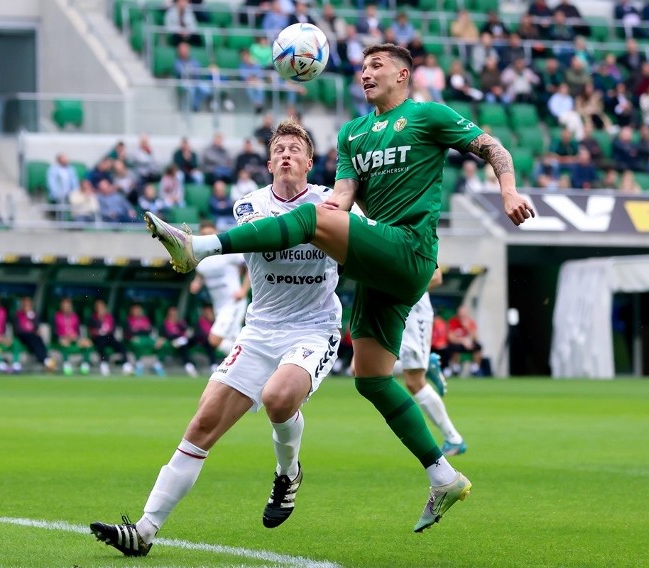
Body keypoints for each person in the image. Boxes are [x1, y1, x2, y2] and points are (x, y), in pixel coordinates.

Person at [143, 43, 533, 534]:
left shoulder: (429, 115)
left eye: (377, 66)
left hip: (409, 246)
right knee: (370, 377)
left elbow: (493, 148)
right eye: (363, 66)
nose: (366, 73)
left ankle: (199, 248)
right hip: (375, 267)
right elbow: (342, 202)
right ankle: (444, 476)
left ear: (403, 74)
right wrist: (315, 225)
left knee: (313, 214)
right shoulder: (352, 134)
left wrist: (509, 190)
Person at [91, 119, 343, 556]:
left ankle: (289, 474)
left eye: (295, 149)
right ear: (268, 163)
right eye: (279, 149)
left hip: (313, 327)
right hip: (261, 329)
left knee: (280, 398)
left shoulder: (332, 202)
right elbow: (276, 236)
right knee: (202, 425)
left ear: (309, 161)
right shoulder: (249, 205)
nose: (286, 154)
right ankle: (145, 530)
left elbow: (341, 234)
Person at [399, 268, 467, 457]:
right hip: (387, 307)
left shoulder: (418, 237)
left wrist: (397, 290)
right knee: (361, 369)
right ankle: (424, 365)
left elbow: (436, 277)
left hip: (413, 311)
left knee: (414, 381)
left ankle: (453, 438)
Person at [189, 220, 248, 354]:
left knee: (214, 340)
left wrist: (243, 290)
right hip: (219, 306)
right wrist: (196, 283)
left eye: (210, 234)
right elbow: (200, 276)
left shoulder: (227, 252)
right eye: (204, 234)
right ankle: (245, 366)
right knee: (235, 341)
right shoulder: (200, 257)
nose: (207, 237)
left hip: (233, 302)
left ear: (216, 234)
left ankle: (246, 360)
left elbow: (250, 268)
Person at [88, 299, 133, 376]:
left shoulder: (109, 317)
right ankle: (104, 364)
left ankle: (126, 365)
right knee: (101, 345)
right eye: (98, 307)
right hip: (98, 338)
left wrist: (107, 330)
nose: (100, 309)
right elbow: (91, 330)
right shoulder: (93, 318)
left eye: (102, 307)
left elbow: (113, 328)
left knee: (120, 345)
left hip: (109, 336)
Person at [13, 296, 56, 372]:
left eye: (29, 305)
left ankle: (46, 358)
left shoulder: (33, 315)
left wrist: (31, 317)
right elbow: (18, 329)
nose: (27, 307)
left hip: (32, 336)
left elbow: (37, 326)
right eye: (25, 305)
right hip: (22, 336)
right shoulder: (18, 315)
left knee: (38, 338)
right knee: (32, 337)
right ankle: (44, 360)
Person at [54, 297, 94, 375]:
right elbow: (54, 332)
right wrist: (64, 336)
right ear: (61, 307)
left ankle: (85, 364)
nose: (67, 308)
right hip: (62, 338)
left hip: (74, 338)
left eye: (68, 306)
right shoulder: (57, 316)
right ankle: (66, 364)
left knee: (87, 343)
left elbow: (78, 332)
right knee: (64, 342)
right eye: (65, 306)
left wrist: (75, 337)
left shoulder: (75, 317)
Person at [124, 303, 165, 376]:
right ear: (131, 311)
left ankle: (156, 363)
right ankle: (140, 363)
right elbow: (130, 332)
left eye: (139, 309)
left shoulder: (145, 319)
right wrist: (140, 331)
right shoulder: (128, 320)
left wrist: (138, 330)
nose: (137, 311)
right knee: (136, 343)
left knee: (161, 344)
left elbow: (148, 331)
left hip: (147, 338)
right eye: (135, 310)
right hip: (134, 340)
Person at [447, 306, 485, 376]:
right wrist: (463, 341)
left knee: (478, 346)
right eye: (460, 314)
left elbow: (475, 337)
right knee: (455, 348)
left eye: (464, 314)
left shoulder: (470, 322)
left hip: (468, 344)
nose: (462, 317)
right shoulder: (453, 322)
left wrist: (468, 328)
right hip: (458, 343)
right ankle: (456, 369)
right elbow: (451, 338)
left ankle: (475, 369)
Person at [160, 305, 197, 376]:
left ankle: (189, 365)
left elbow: (187, 331)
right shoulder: (166, 324)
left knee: (185, 342)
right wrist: (178, 335)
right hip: (172, 343)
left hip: (184, 342)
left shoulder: (180, 323)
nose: (174, 315)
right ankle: (189, 365)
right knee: (182, 343)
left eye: (175, 314)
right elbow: (168, 335)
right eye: (172, 314)